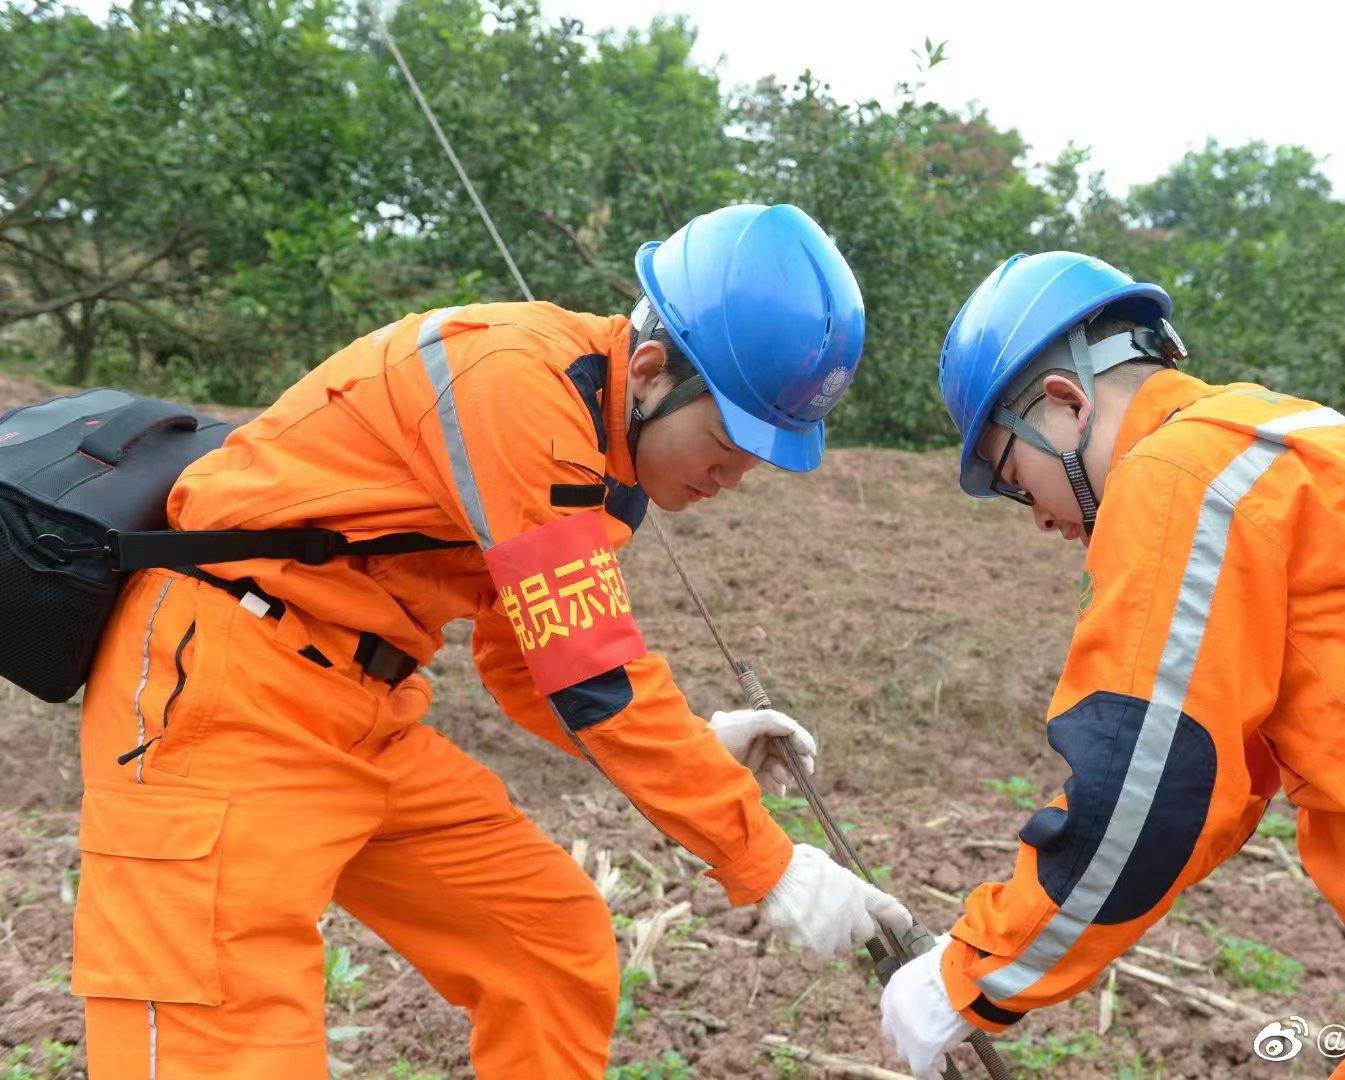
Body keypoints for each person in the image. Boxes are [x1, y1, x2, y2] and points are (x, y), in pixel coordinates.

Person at [72, 203, 911, 1078]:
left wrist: (696, 747)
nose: (732, 477)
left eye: (760, 458)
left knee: (546, 946)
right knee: (226, 1046)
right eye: (728, 439)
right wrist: (765, 863)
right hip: (224, 695)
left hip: (362, 714)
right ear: (655, 371)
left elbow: (527, 661)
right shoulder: (519, 386)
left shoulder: (604, 449)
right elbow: (592, 673)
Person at [878, 250, 1345, 1079]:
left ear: (1065, 404)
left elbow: (1145, 791)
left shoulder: (1176, 474)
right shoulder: (1273, 437)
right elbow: (1221, 781)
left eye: (1015, 479)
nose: (1035, 518)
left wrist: (969, 977)